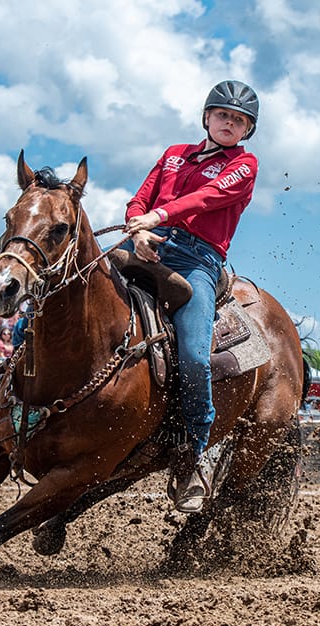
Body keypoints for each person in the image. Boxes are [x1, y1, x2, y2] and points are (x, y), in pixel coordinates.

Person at [122, 79, 259, 513]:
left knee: (195, 355)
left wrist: (156, 217)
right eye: (223, 115)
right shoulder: (174, 154)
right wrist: (139, 228)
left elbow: (207, 197)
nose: (229, 123)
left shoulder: (245, 165)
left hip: (197, 260)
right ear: (207, 117)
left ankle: (193, 453)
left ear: (246, 131)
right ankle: (8, 384)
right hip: (145, 244)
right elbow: (138, 200)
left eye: (238, 120)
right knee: (69, 287)